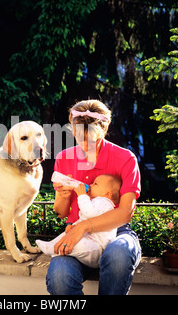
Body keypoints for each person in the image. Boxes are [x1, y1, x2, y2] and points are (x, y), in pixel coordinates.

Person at [46, 99, 141, 295]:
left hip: (115, 232)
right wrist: (64, 196)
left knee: (119, 254)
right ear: (73, 130)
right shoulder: (64, 158)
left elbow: (124, 214)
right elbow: (61, 212)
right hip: (76, 234)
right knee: (59, 277)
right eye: (80, 138)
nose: (85, 145)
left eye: (92, 139)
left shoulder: (125, 159)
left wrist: (84, 226)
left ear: (104, 130)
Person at [36, 174, 122, 268]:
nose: (90, 185)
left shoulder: (105, 203)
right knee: (68, 236)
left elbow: (89, 213)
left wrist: (82, 196)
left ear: (108, 194)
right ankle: (53, 245)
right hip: (89, 241)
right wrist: (74, 226)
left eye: (95, 184)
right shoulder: (96, 201)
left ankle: (56, 248)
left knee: (78, 244)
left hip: (97, 249)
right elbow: (83, 220)